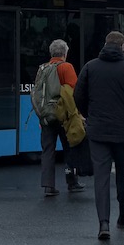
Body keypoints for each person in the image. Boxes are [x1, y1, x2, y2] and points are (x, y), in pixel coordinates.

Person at [74, 31, 124, 241]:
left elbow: (78, 96)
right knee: (122, 173)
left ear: (105, 44)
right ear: (123, 47)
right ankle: (123, 213)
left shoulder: (90, 67)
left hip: (98, 131)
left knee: (101, 177)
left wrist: (89, 115)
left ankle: (103, 223)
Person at [37, 39, 85, 197]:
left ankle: (48, 185)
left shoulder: (42, 68)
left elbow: (40, 95)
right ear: (65, 53)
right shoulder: (66, 67)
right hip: (63, 116)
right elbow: (74, 92)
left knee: (48, 150)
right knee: (69, 149)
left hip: (46, 116)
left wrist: (41, 116)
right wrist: (78, 115)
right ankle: (71, 181)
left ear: (51, 53)